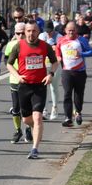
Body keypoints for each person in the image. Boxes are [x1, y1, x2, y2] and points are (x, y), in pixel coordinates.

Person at [6, 20, 57, 159]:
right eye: (28, 31)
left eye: (34, 31)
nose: (31, 33)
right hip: (24, 86)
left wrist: (50, 74)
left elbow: (55, 62)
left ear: (38, 32)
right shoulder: (19, 46)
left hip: (39, 86)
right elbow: (9, 64)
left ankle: (34, 149)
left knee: (38, 117)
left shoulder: (44, 46)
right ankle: (36, 129)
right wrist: (17, 76)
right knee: (27, 120)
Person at [55, 21, 92, 127]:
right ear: (65, 31)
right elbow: (57, 50)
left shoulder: (81, 40)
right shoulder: (61, 40)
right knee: (67, 94)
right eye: (69, 30)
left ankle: (78, 112)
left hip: (80, 72)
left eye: (73, 30)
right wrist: (58, 56)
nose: (71, 32)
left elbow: (91, 52)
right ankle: (68, 118)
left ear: (76, 30)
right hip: (67, 71)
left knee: (78, 94)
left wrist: (81, 54)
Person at [5, 22, 29, 144]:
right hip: (15, 80)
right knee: (16, 108)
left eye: (22, 33)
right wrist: (15, 73)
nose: (20, 35)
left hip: (29, 80)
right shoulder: (10, 45)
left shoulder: (32, 45)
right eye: (18, 33)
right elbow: (6, 60)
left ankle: (29, 128)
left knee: (27, 108)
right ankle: (18, 130)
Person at [38, 21, 62, 121]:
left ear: (53, 29)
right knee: (43, 87)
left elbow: (61, 50)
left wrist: (55, 48)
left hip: (55, 64)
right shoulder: (41, 36)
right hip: (44, 64)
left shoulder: (59, 37)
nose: (48, 33)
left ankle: (54, 108)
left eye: (50, 31)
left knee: (53, 88)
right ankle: (44, 110)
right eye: (47, 31)